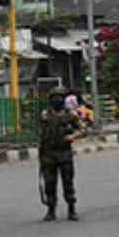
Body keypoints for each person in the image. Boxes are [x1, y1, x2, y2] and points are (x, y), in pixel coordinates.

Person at [39, 88, 82, 222]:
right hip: (49, 154)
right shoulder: (45, 115)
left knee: (68, 182)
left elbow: (82, 128)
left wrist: (73, 136)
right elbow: (41, 135)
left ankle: (72, 209)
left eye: (59, 97)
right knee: (49, 184)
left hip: (64, 154)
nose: (57, 100)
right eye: (54, 98)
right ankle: (51, 210)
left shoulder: (71, 115)